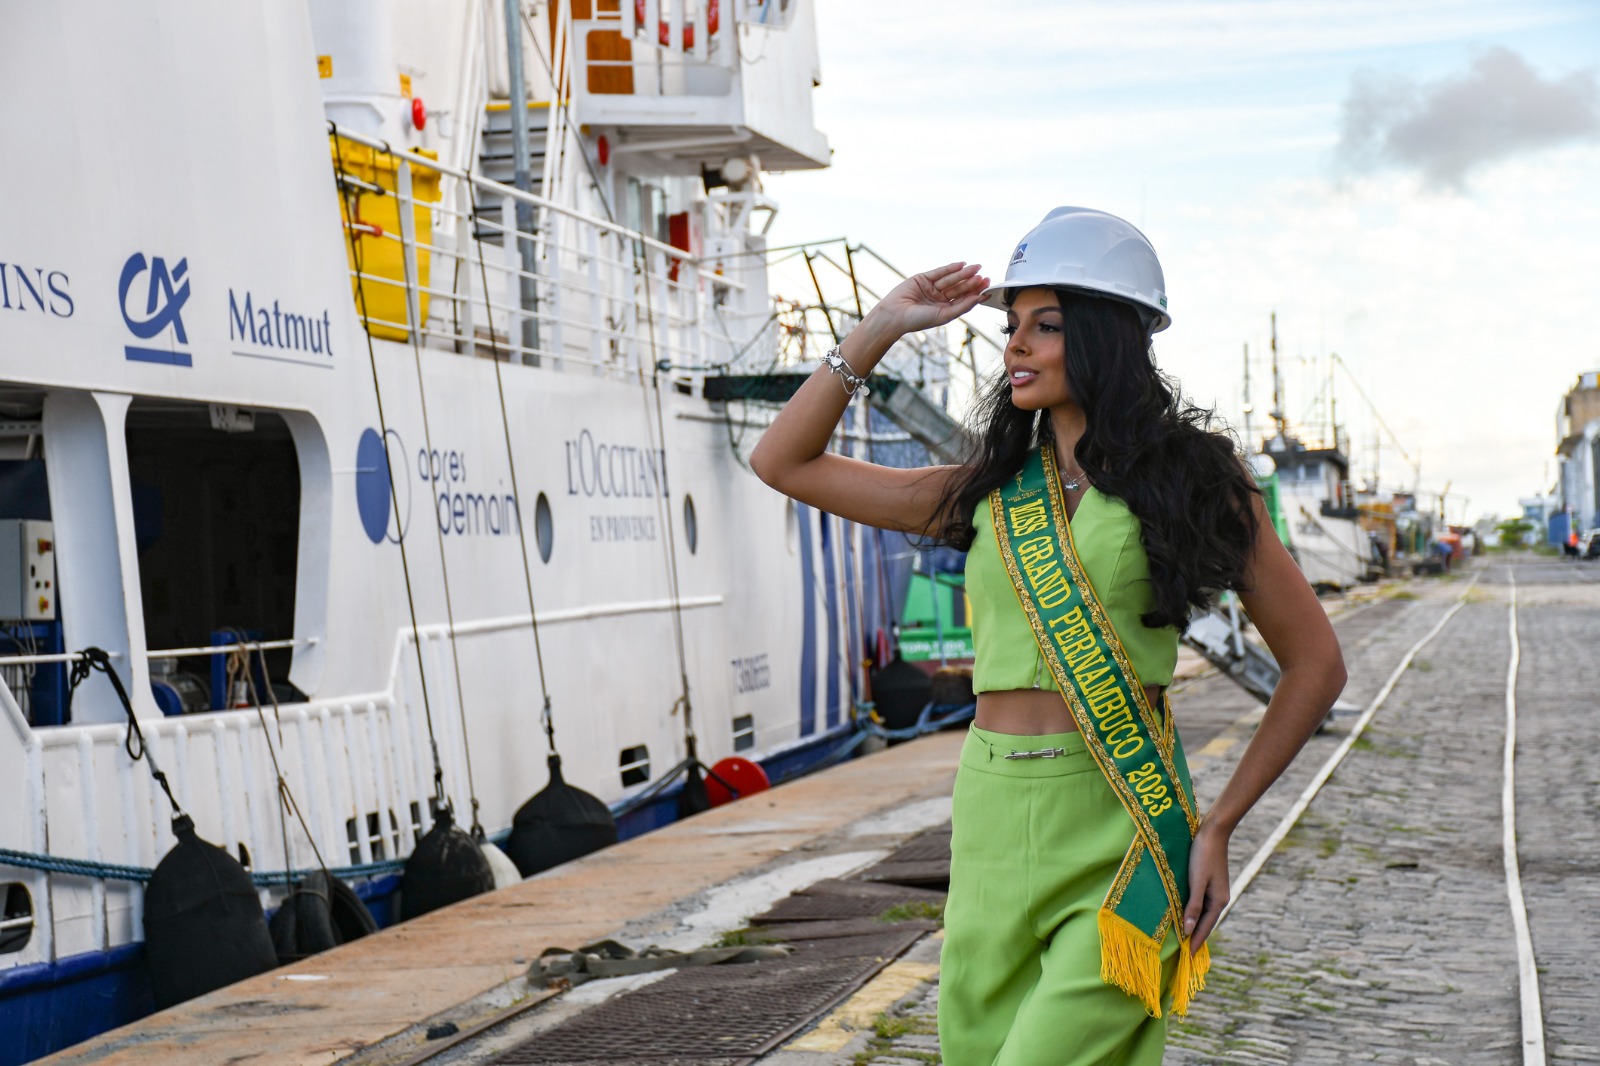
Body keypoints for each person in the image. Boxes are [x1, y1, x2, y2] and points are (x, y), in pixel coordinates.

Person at [750, 208, 1345, 1064]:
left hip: (1122, 818)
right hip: (990, 818)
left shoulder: (1193, 480)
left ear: (1105, 339)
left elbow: (1316, 665)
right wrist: (880, 326)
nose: (1016, 346)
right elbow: (784, 462)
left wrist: (1219, 827)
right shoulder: (988, 489)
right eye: (1011, 326)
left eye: (1047, 325)